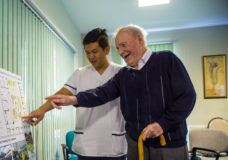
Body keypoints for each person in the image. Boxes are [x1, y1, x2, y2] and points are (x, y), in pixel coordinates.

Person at [46, 24, 196, 160]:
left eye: (123, 45)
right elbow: (101, 93)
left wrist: (162, 124)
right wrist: (73, 99)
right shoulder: (125, 74)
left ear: (140, 40)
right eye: (118, 48)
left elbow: (187, 97)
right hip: (137, 145)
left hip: (168, 143)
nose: (121, 51)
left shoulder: (166, 59)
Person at [23, 28, 127, 160]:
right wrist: (41, 109)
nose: (91, 57)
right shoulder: (80, 74)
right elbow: (61, 96)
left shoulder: (122, 72)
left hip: (113, 146)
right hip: (87, 146)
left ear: (106, 49)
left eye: (94, 51)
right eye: (87, 53)